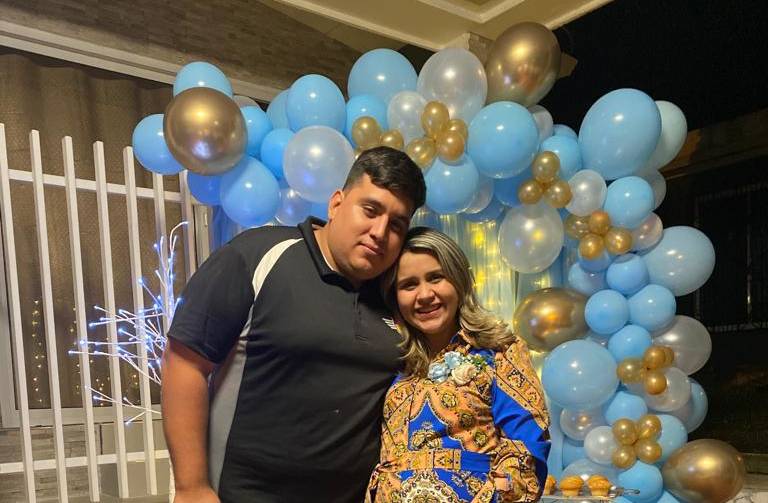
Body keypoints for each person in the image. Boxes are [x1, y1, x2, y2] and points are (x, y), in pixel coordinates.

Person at [161, 146, 426, 503]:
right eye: (370, 210)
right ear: (336, 204)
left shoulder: (396, 295)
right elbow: (184, 362)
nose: (380, 232)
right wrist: (191, 487)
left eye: (396, 224)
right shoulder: (258, 255)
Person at [367, 227, 550, 502]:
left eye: (435, 278)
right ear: (395, 297)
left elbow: (525, 448)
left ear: (459, 280)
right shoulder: (392, 361)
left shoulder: (499, 352)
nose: (424, 294)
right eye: (409, 285)